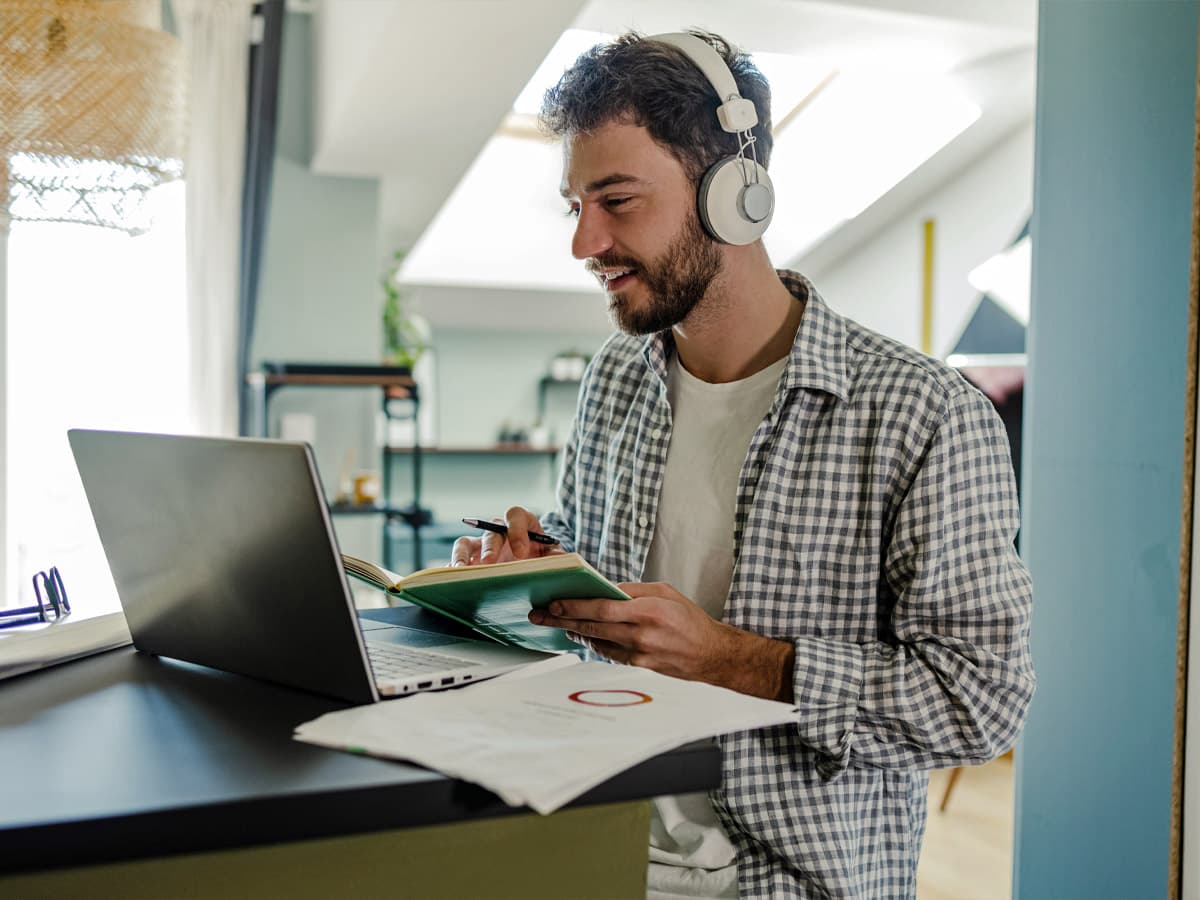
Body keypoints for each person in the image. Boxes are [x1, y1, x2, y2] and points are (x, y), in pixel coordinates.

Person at [451, 29, 1035, 900]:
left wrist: (737, 659)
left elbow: (979, 701)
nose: (585, 244)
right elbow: (610, 591)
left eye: (617, 200)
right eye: (576, 206)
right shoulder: (615, 377)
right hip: (595, 838)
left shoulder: (922, 414)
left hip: (782, 882)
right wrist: (537, 574)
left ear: (736, 194)